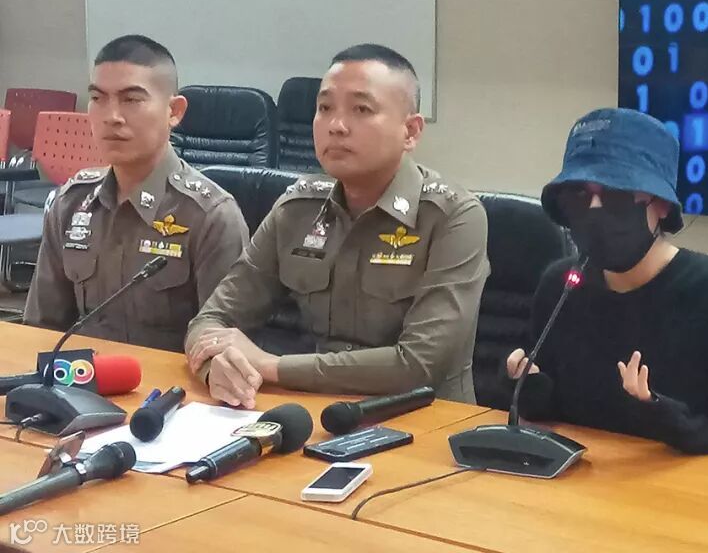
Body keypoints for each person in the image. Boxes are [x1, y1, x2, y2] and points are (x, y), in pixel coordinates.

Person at [185, 44, 489, 408]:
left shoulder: (453, 216)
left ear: (410, 131)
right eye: (325, 108)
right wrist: (218, 368)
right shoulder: (297, 209)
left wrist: (271, 366)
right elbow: (212, 320)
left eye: (361, 110)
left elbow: (419, 364)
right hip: (316, 410)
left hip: (425, 419)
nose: (336, 126)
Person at [505, 108, 708, 460]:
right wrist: (531, 390)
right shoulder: (561, 288)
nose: (594, 211)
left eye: (615, 195)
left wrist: (673, 422)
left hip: (689, 487)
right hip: (584, 483)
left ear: (660, 205)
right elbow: (561, 414)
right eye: (578, 197)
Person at [23, 35, 246, 352]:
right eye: (98, 98)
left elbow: (223, 351)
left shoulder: (209, 216)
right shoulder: (71, 203)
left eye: (131, 100)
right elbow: (41, 331)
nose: (111, 116)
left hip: (169, 383)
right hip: (80, 378)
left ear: (174, 111)